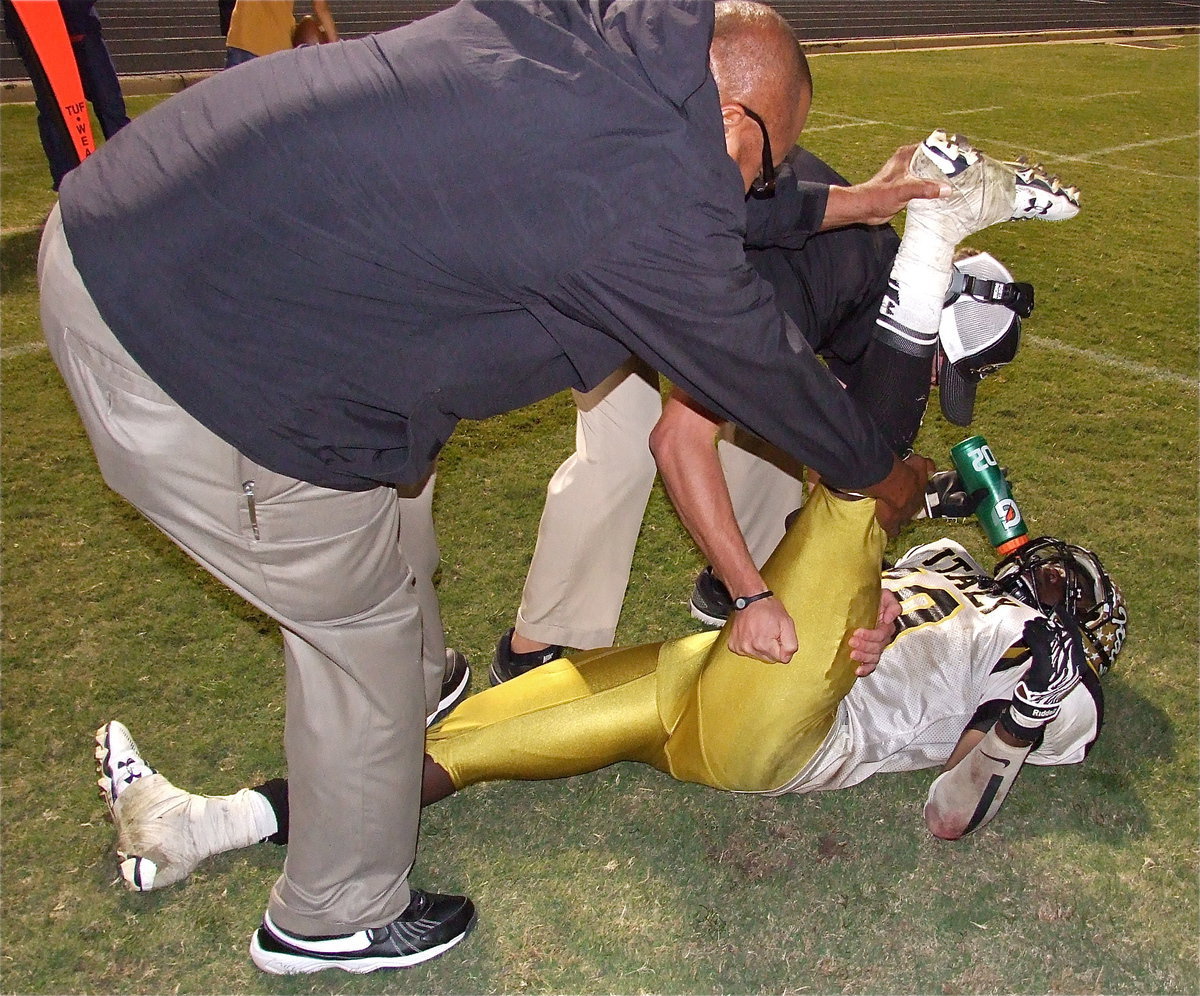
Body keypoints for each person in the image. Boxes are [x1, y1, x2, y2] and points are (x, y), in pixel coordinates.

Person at [39, 0, 1073, 975]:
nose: (761, 192)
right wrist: (925, 259)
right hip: (191, 350)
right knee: (358, 625)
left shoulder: (612, 46)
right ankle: (331, 918)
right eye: (761, 164)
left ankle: (316, 754)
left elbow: (701, 196)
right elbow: (848, 452)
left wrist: (867, 202)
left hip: (145, 219)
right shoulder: (651, 213)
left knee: (400, 557)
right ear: (725, 117)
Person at [94, 485, 1128, 899]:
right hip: (704, 672)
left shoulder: (1043, 657)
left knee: (855, 497)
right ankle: (206, 824)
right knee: (478, 738)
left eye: (1066, 588)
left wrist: (1034, 691)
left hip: (797, 730)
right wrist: (881, 609)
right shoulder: (955, 564)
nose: (1048, 580)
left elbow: (977, 776)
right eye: (1055, 569)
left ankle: (920, 289)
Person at [493, 140, 1072, 680]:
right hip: (609, 262)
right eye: (937, 364)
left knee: (776, 422)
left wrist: (863, 575)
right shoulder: (822, 285)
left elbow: (834, 453)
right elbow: (676, 440)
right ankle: (533, 646)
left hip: (697, 264)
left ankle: (742, 574)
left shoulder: (870, 280)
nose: (925, 380)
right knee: (624, 447)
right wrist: (754, 596)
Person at [1, 0, 129, 189]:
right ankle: (67, 185)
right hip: (37, 29)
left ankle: (130, 168)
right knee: (54, 110)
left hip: (81, 24)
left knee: (110, 103)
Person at [224, 0, 337, 67]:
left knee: (232, 102)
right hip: (273, 44)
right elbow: (321, 8)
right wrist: (335, 49)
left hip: (241, 36)